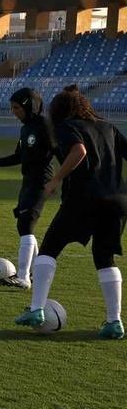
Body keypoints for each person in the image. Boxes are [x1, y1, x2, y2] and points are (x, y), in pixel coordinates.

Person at [15, 86, 127, 339]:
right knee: (105, 258)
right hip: (117, 201)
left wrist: (55, 180)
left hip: (84, 197)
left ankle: (36, 309)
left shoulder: (67, 127)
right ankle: (114, 322)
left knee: (49, 250)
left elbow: (79, 151)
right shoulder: (108, 126)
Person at [0, 88, 56, 288]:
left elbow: (58, 150)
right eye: (12, 107)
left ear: (29, 105)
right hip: (28, 182)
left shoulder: (44, 125)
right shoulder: (25, 128)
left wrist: (59, 180)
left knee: (25, 225)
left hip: (41, 182)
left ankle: (24, 277)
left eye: (17, 107)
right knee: (24, 226)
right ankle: (33, 273)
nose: (14, 111)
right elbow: (17, 157)